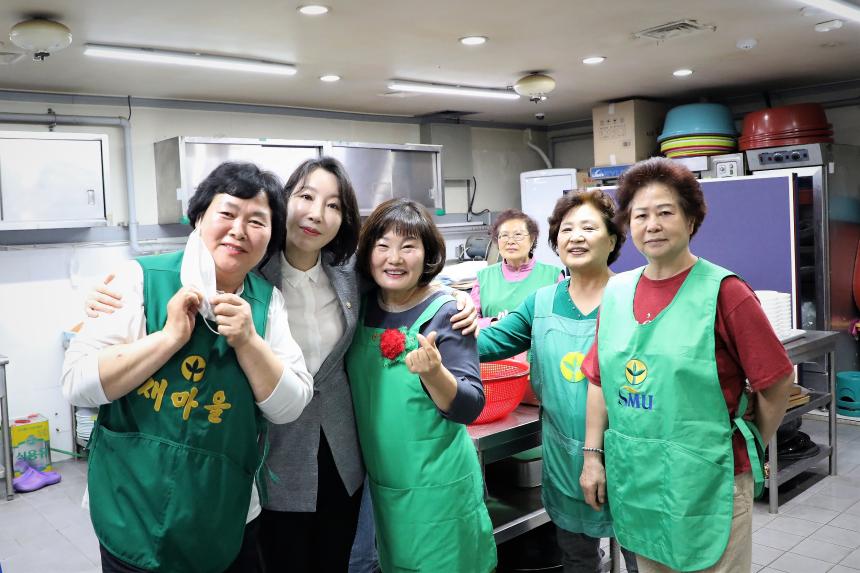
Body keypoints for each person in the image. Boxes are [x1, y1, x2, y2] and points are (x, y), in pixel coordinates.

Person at [85, 157, 478, 573]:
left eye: (333, 205)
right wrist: (101, 297)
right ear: (282, 204)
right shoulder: (250, 270)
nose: (316, 213)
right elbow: (190, 266)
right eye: (306, 196)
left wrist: (453, 295)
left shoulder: (348, 274)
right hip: (272, 450)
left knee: (334, 556)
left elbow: (399, 276)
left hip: (342, 450)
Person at [62, 161, 315, 573]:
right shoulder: (139, 280)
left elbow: (289, 407)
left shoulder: (267, 304)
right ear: (199, 217)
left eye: (257, 221)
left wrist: (249, 341)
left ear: (271, 237)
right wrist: (169, 338)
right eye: (227, 213)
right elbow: (77, 383)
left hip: (224, 509)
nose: (239, 230)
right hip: (132, 504)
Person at [579, 157, 795, 572]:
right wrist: (592, 457)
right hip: (639, 478)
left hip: (707, 480)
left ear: (691, 219)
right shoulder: (617, 293)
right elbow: (600, 381)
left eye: (665, 212)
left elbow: (777, 379)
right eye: (640, 215)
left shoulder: (725, 292)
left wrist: (750, 443)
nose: (652, 225)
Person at [477, 190, 637, 572]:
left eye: (588, 228)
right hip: (565, 457)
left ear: (612, 240)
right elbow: (491, 342)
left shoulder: (633, 297)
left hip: (629, 459)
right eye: (567, 229)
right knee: (577, 559)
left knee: (643, 559)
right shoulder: (542, 301)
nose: (576, 237)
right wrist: (438, 328)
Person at [346, 198, 497, 573]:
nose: (394, 258)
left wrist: (434, 373)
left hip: (439, 486)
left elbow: (470, 406)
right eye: (383, 245)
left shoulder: (447, 313)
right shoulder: (358, 306)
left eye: (408, 246)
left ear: (428, 254)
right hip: (384, 487)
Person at [472, 209, 562, 326]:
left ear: (532, 239)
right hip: (495, 337)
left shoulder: (553, 276)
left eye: (518, 235)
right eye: (504, 235)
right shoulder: (483, 277)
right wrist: (494, 323)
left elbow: (564, 320)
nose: (510, 241)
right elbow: (471, 321)